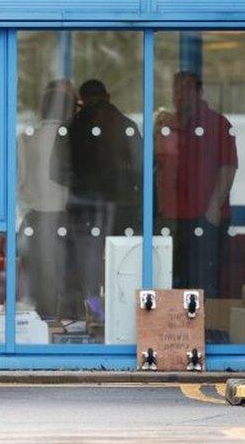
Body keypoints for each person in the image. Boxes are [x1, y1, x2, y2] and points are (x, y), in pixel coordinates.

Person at [51, 79, 142, 321]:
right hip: (122, 209)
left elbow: (55, 171)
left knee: (85, 268)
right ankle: (119, 320)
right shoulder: (127, 126)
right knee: (121, 267)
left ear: (81, 100)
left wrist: (80, 184)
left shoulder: (69, 127)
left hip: (82, 208)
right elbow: (140, 171)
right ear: (108, 96)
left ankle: (86, 318)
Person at [155, 70, 237, 298]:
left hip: (205, 217)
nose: (180, 95)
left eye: (186, 89)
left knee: (203, 281)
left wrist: (212, 209)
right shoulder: (172, 125)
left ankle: (206, 330)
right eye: (176, 90)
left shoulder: (217, 123)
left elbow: (228, 167)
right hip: (175, 216)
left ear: (199, 92)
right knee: (176, 280)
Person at [17, 80, 77, 318]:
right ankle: (69, 324)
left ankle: (45, 322)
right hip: (67, 216)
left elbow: (21, 182)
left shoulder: (26, 137)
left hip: (36, 218)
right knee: (69, 279)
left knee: (41, 281)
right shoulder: (73, 137)